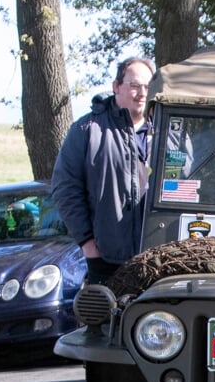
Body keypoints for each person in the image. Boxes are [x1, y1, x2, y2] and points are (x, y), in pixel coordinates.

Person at [52, 56, 155, 283]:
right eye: (135, 86)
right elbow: (65, 189)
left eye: (148, 86)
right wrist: (89, 244)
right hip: (107, 261)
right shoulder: (88, 130)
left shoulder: (169, 131)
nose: (142, 93)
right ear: (116, 87)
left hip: (158, 259)